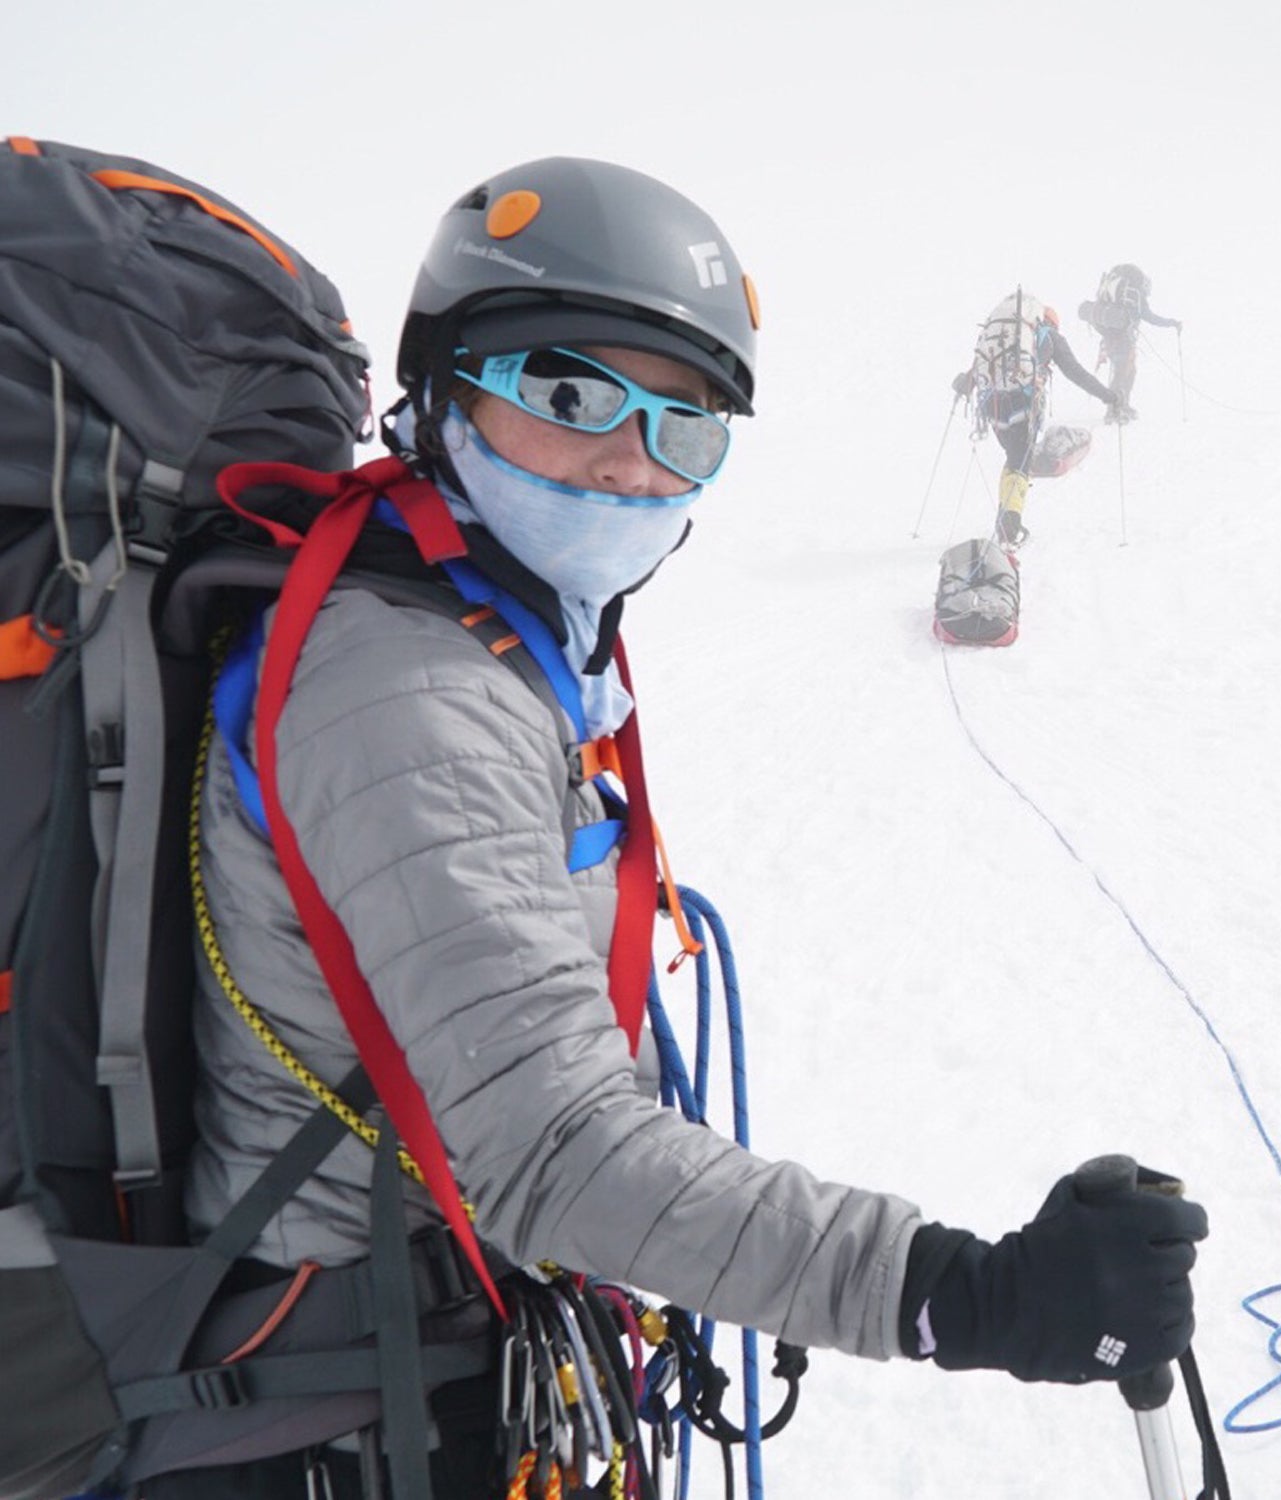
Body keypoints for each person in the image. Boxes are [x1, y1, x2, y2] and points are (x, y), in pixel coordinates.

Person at [178, 159, 1207, 1496]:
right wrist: (973, 1294)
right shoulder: (407, 696)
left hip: (413, 1353)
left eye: (687, 427)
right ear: (438, 394)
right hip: (327, 1415)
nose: (627, 461)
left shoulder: (480, 635)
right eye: (569, 392)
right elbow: (556, 1146)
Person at [953, 291, 1118, 545]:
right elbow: (1076, 373)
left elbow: (982, 367)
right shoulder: (1049, 336)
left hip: (992, 405)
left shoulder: (1005, 335)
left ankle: (1006, 516)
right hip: (1022, 402)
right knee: (1019, 462)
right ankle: (1010, 523)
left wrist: (966, 383)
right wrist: (1108, 396)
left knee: (1014, 459)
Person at [1083, 264, 1182, 423]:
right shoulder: (1136, 298)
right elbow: (1151, 317)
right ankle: (1114, 410)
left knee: (1126, 372)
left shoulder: (1120, 298)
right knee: (1122, 373)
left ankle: (1121, 406)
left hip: (1110, 338)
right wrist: (1172, 323)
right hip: (1123, 339)